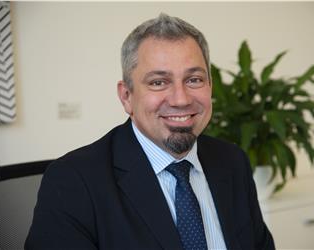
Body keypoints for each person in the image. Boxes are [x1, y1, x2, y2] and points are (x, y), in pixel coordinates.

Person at [25, 13, 275, 250]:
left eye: (194, 79)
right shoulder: (73, 182)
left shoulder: (232, 161)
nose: (180, 99)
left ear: (210, 86)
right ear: (126, 96)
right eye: (158, 82)